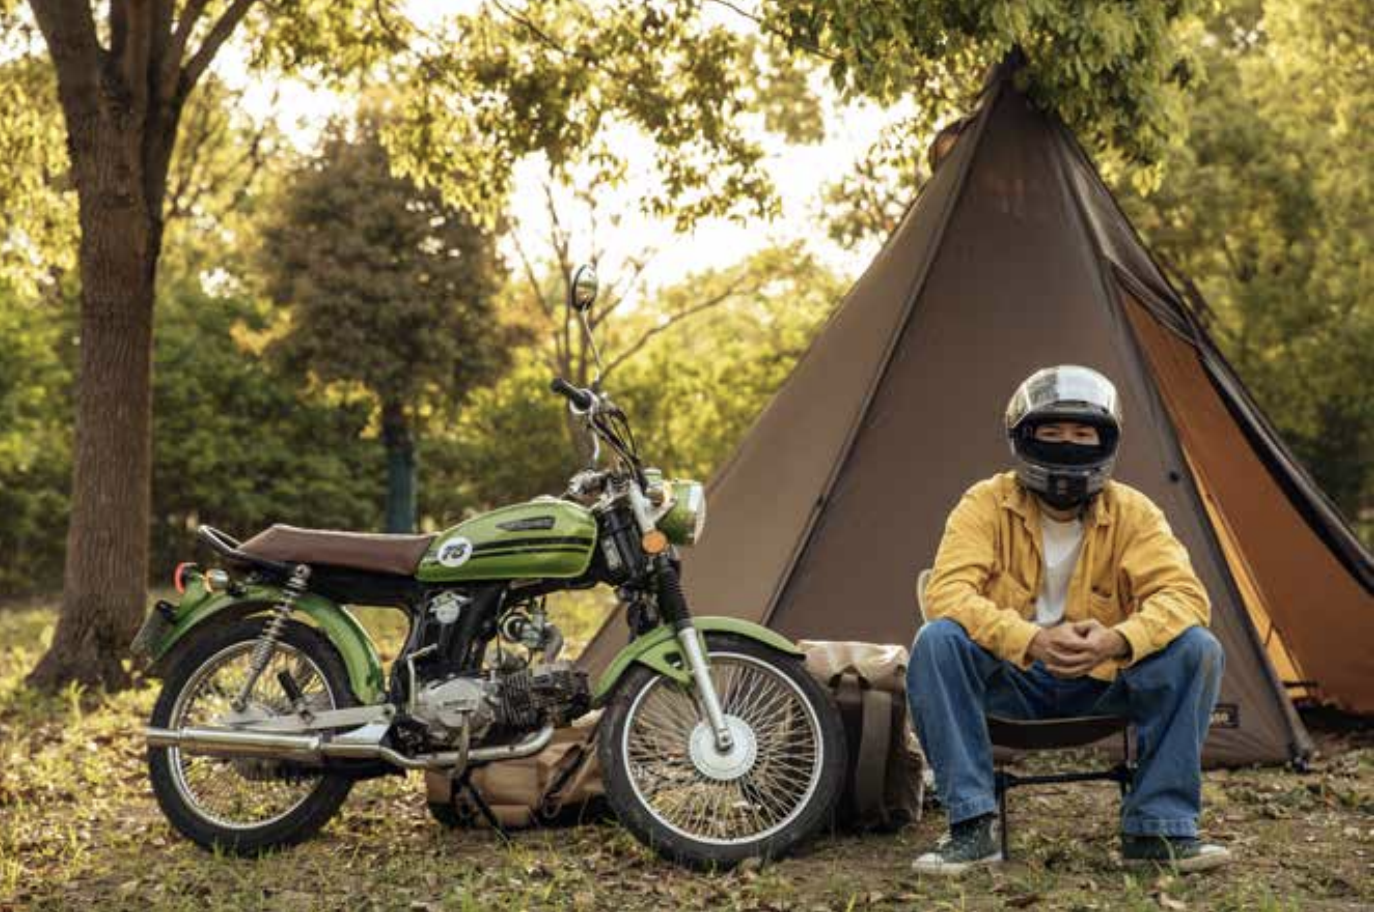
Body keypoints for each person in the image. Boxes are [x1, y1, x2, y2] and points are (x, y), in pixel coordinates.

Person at [908, 365, 1230, 875]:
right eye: (1052, 432)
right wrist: (1030, 639)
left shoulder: (1135, 512)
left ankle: (1158, 830)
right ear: (1023, 437)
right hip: (1011, 679)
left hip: (1104, 682)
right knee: (937, 640)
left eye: (1083, 433)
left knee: (1198, 648)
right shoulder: (984, 503)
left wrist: (1119, 640)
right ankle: (972, 827)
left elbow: (1185, 595)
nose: (1068, 444)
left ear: (1106, 440)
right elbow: (947, 592)